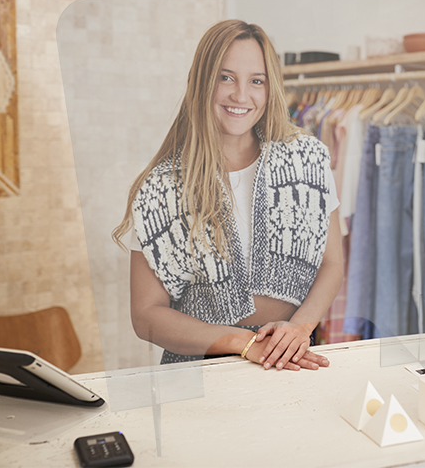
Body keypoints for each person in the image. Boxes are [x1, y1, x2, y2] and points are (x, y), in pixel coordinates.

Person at [112, 20, 343, 370]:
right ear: (202, 81)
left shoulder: (308, 160)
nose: (240, 95)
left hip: (288, 356)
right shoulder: (161, 188)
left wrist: (301, 326)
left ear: (270, 88)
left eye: (256, 81)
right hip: (198, 368)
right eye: (226, 77)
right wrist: (242, 343)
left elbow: (332, 263)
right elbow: (145, 315)